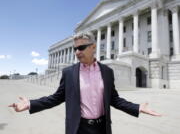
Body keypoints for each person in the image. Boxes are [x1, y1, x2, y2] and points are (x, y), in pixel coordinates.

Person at [9, 32, 161, 134]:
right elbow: (56, 98)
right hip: (78, 128)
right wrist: (30, 104)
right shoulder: (69, 73)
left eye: (81, 47)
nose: (77, 52)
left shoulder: (107, 72)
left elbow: (114, 99)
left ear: (93, 47)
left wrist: (137, 107)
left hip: (102, 128)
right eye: (75, 48)